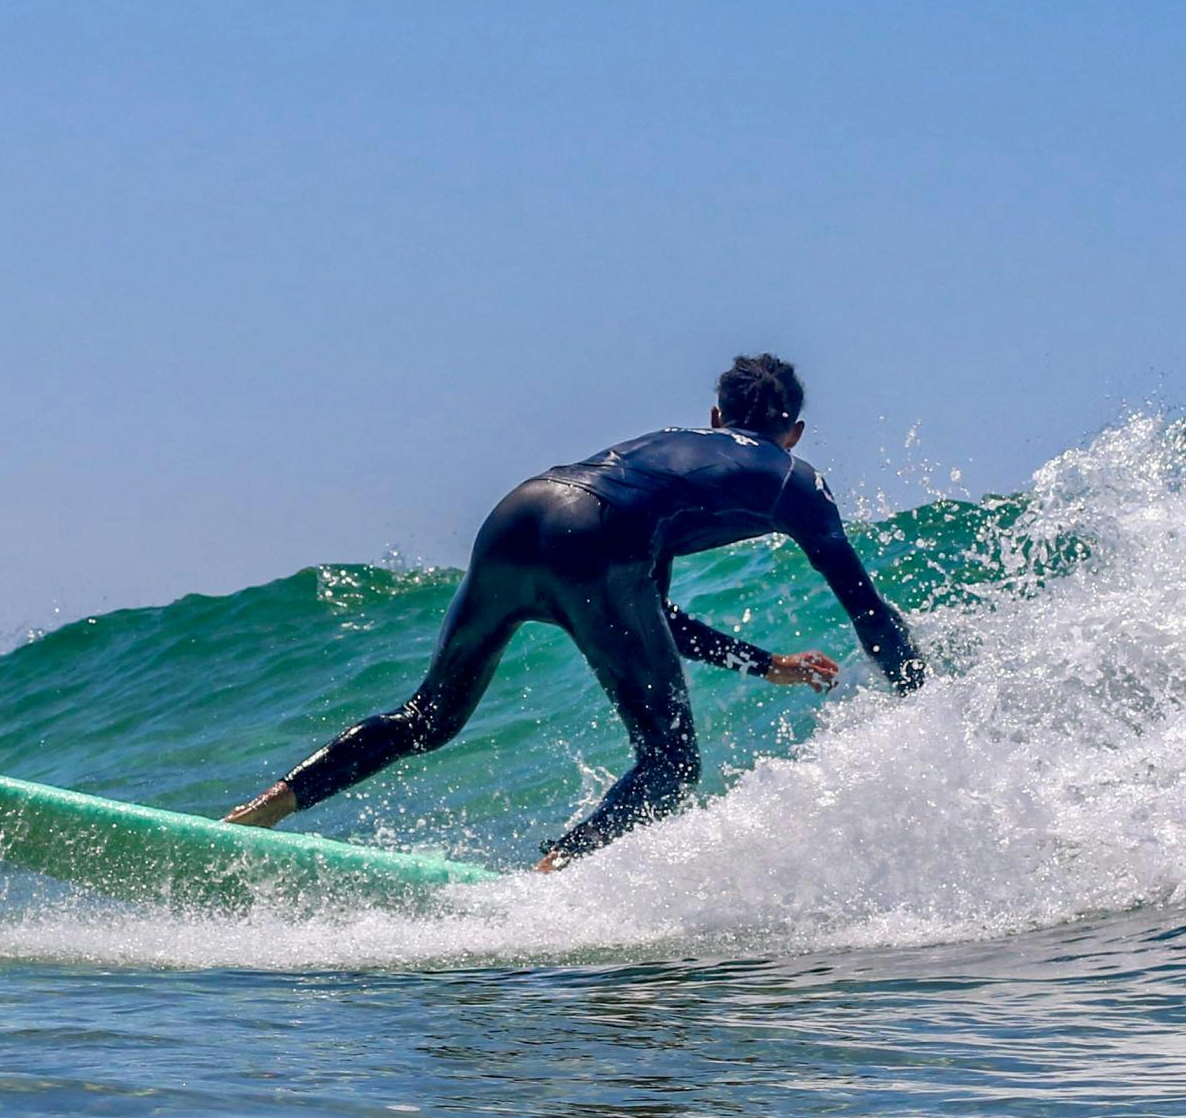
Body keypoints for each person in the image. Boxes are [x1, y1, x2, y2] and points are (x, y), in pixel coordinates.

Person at [224, 354, 926, 868]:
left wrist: (765, 664)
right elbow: (869, 613)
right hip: (598, 538)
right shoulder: (797, 483)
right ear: (795, 434)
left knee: (427, 718)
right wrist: (926, 701)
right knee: (671, 763)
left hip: (520, 511)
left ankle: (259, 814)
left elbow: (645, 604)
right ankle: (549, 876)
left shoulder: (664, 450)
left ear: (717, 418)